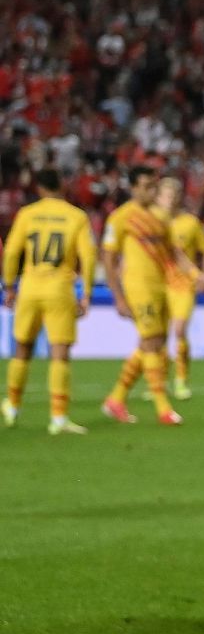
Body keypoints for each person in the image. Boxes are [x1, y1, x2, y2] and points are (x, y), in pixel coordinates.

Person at [2, 169, 97, 435]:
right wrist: (86, 292)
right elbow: (88, 256)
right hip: (59, 288)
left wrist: (9, 286)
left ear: (40, 188)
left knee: (22, 347)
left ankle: (12, 404)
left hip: (30, 286)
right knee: (59, 352)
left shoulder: (27, 214)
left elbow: (11, 252)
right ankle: (58, 418)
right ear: (62, 186)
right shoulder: (76, 216)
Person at [99, 165, 183, 427]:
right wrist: (119, 297)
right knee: (149, 341)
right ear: (133, 188)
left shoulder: (161, 217)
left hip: (160, 287)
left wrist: (194, 273)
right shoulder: (120, 217)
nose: (151, 192)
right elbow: (109, 259)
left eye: (153, 187)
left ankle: (116, 399)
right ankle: (163, 408)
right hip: (138, 287)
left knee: (155, 341)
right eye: (146, 186)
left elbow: (173, 252)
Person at [154, 176, 204, 402]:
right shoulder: (151, 222)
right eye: (166, 195)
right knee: (156, 337)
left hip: (182, 286)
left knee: (179, 331)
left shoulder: (190, 222)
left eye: (174, 195)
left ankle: (180, 381)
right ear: (158, 197)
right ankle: (157, 382)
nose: (170, 200)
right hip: (157, 284)